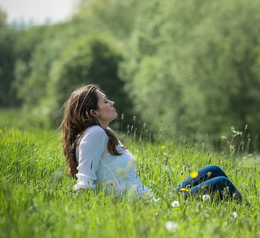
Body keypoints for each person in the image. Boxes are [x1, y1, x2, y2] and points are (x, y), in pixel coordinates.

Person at [60, 84, 242, 202]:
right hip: (149, 208)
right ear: (93, 112)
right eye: (106, 101)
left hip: (152, 200)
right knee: (221, 183)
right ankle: (252, 221)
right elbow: (85, 181)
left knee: (213, 170)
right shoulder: (95, 134)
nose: (112, 102)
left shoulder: (104, 133)